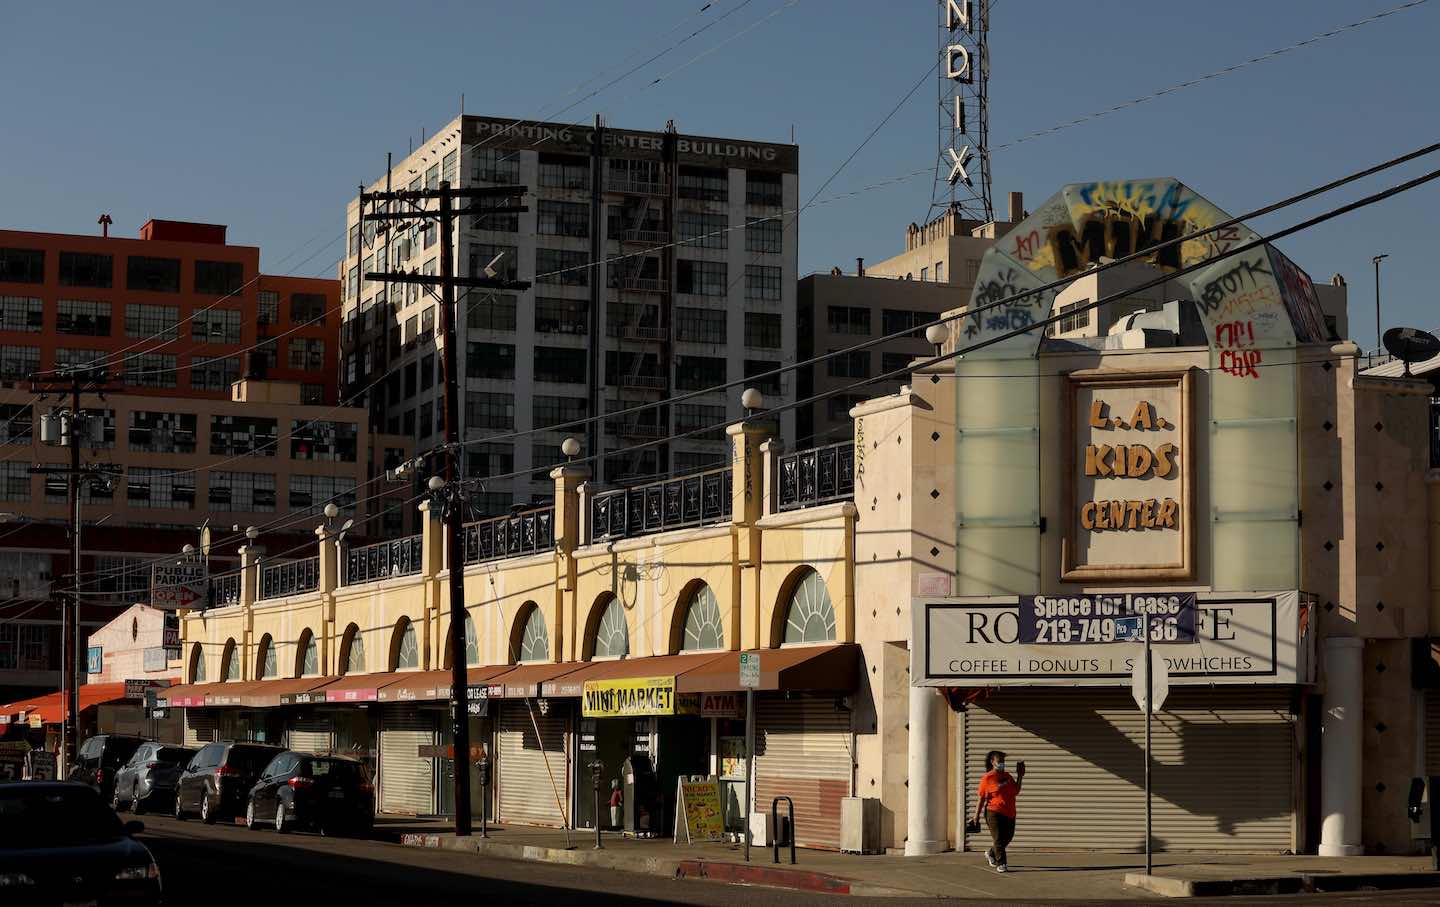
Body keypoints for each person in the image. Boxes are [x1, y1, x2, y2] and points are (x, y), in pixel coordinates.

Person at [973, 750, 1024, 873]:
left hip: (1010, 812)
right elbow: (981, 799)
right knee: (999, 839)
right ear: (992, 762)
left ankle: (991, 852)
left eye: (1003, 761)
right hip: (994, 812)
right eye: (999, 761)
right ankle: (1001, 863)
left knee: (1008, 837)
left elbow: (1016, 791)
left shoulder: (1007, 776)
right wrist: (976, 817)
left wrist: (1020, 775)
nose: (1002, 763)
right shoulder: (987, 778)